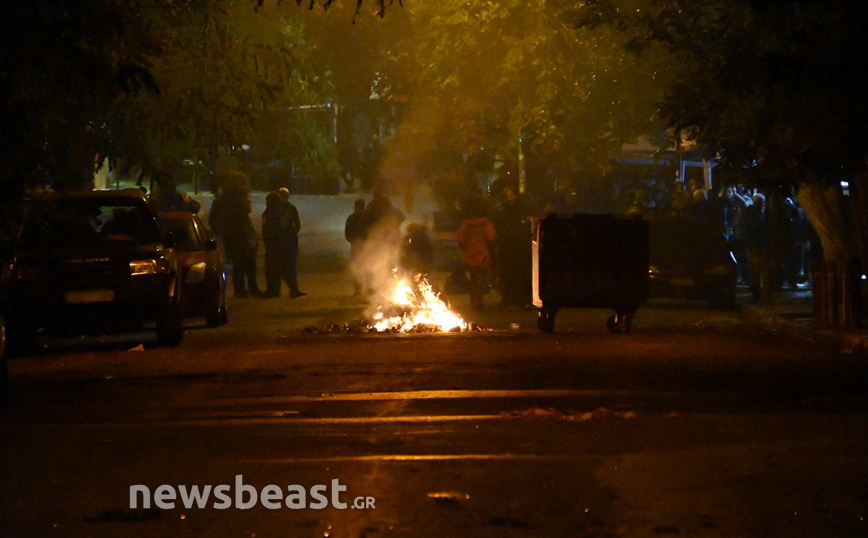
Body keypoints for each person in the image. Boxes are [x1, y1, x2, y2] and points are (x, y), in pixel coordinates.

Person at [209, 184, 261, 298]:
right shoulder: (232, 208)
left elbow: (213, 221)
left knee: (242, 265)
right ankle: (246, 289)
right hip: (239, 238)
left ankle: (244, 289)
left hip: (237, 238)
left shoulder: (223, 205)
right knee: (244, 265)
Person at [493, 184, 534, 309]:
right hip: (509, 244)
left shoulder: (520, 207)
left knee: (520, 272)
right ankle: (510, 299)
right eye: (507, 196)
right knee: (509, 273)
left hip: (518, 244)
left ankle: (521, 299)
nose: (508, 198)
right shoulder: (504, 208)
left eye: (510, 195)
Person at [262, 187, 305, 298]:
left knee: (277, 269)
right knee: (284, 268)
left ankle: (277, 290)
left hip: (278, 245)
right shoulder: (279, 211)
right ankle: (286, 290)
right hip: (281, 244)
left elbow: (276, 228)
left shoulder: (276, 212)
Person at [457, 197, 496, 310]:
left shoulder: (466, 224)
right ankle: (479, 301)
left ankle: (474, 299)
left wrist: (466, 248)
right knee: (482, 278)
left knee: (473, 278)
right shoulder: (486, 223)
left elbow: (461, 238)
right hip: (483, 253)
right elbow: (491, 236)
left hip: (470, 253)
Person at [344, 198, 367, 295]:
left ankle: (358, 289)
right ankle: (369, 288)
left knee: (357, 267)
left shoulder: (351, 217)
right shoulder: (367, 217)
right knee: (367, 266)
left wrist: (353, 241)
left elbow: (347, 232)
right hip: (366, 245)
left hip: (356, 245)